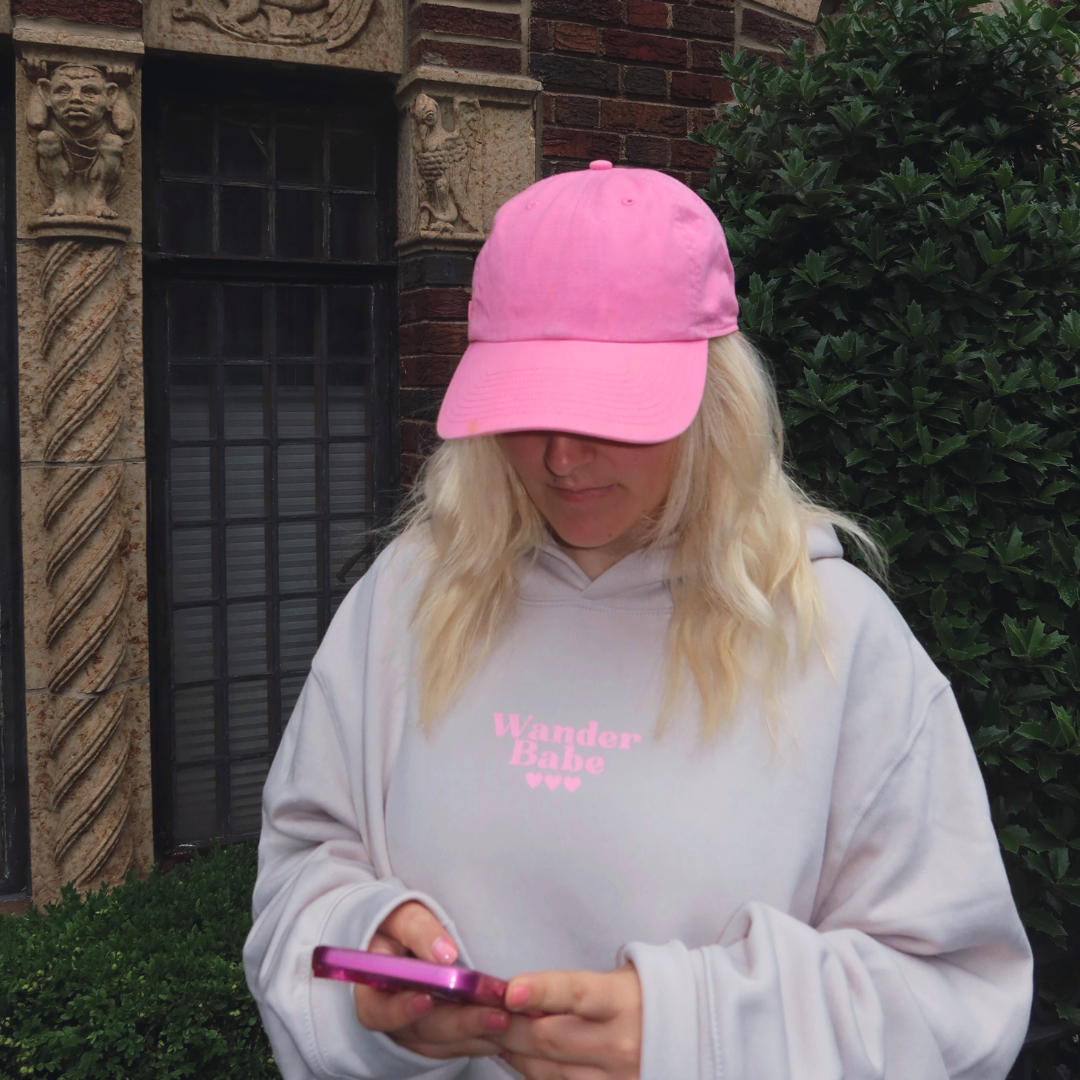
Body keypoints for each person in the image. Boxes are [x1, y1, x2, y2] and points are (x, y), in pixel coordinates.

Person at [243, 160, 1033, 1080]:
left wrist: (698, 1034)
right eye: (526, 407)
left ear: (717, 401)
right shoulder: (407, 600)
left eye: (608, 409)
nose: (561, 457)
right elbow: (300, 876)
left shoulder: (837, 638)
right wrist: (362, 956)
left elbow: (958, 997)